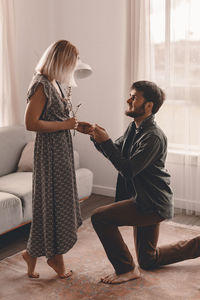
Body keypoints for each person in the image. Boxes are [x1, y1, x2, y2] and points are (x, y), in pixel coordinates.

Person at [88, 80, 200, 284]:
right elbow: (116, 151)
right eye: (130, 95)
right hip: (143, 198)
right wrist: (97, 138)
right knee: (149, 260)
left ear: (148, 105)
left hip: (152, 203)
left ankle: (126, 269)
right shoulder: (135, 128)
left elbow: (128, 170)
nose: (128, 99)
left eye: (134, 96)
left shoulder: (153, 137)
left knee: (99, 217)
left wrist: (105, 142)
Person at [22, 40, 89, 279]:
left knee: (57, 203)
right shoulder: (41, 84)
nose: (72, 68)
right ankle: (55, 258)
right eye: (71, 63)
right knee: (53, 204)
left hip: (60, 149)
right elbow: (31, 123)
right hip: (49, 152)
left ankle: (32, 254)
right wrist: (64, 125)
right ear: (60, 60)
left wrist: (78, 126)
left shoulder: (55, 83)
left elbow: (60, 118)